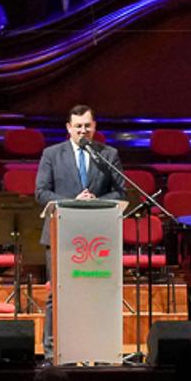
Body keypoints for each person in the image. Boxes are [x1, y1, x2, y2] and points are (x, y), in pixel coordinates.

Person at [34, 104, 125, 357]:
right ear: (68, 128)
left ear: (94, 127)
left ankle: (96, 349)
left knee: (95, 293)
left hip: (96, 235)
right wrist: (72, 200)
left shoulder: (108, 155)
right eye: (78, 127)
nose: (83, 131)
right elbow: (41, 192)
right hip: (60, 232)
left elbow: (120, 191)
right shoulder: (52, 154)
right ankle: (52, 353)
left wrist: (95, 199)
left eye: (87, 126)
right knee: (57, 295)